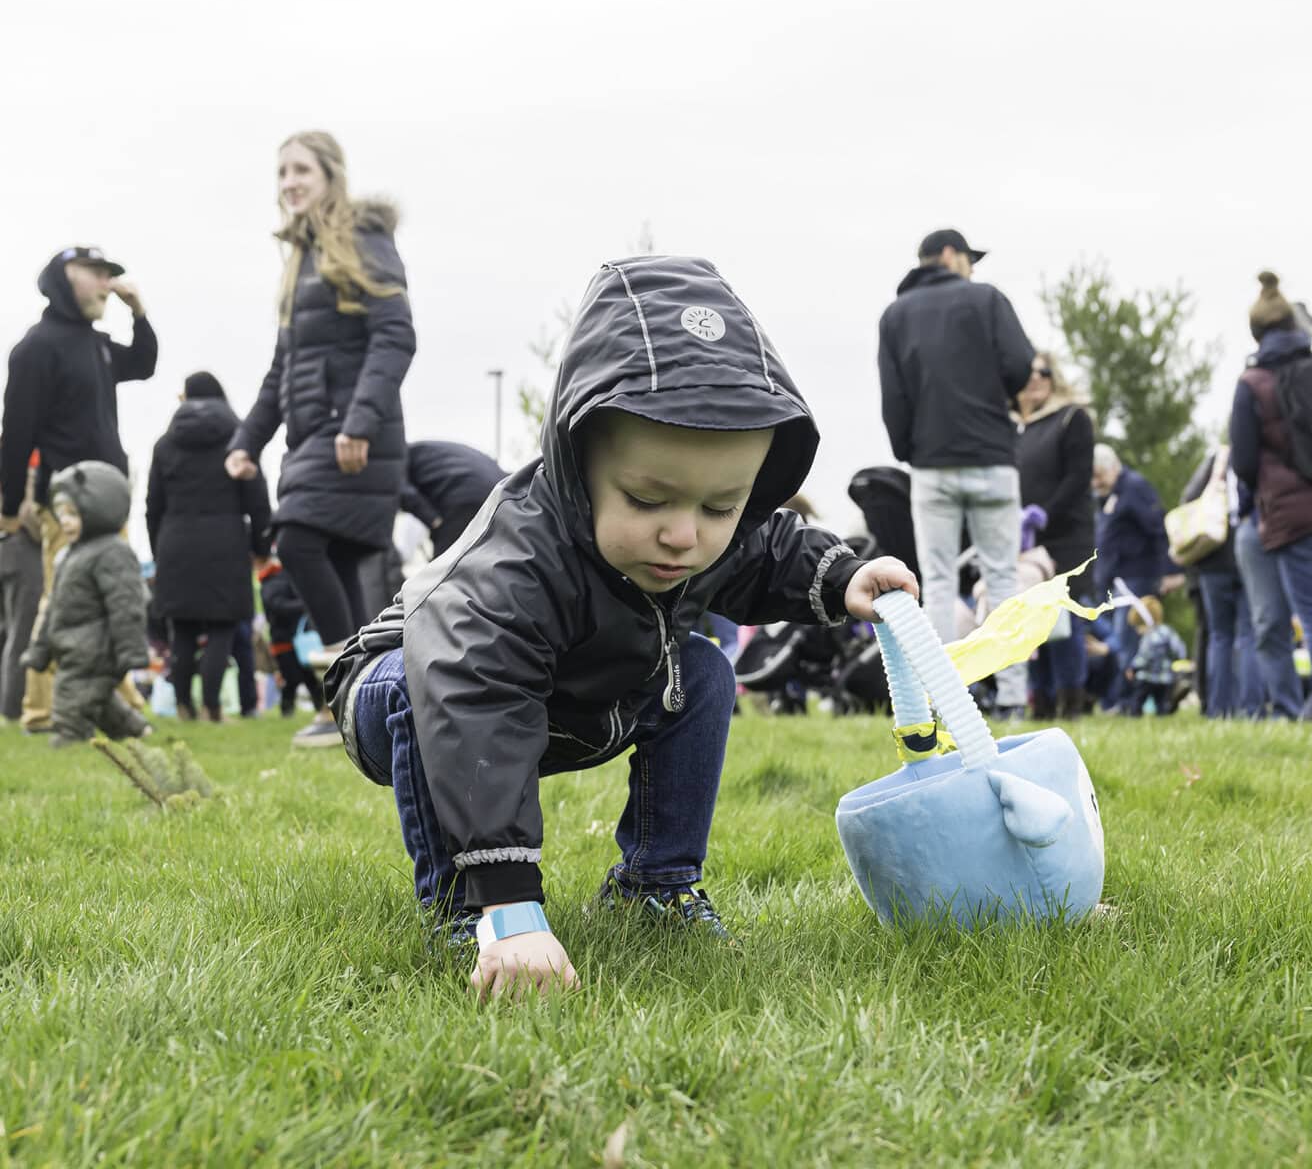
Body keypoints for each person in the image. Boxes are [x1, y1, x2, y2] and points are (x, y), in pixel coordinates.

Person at [322, 257, 917, 998]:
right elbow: (473, 695)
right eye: (647, 499)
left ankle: (657, 886)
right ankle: (459, 907)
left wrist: (840, 574)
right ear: (579, 465)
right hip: (402, 684)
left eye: (718, 506)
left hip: (563, 697)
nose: (684, 537)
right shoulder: (519, 564)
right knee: (427, 679)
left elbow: (764, 549)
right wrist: (510, 907)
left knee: (702, 670)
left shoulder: (698, 539)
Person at [226, 131, 416, 749]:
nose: (289, 183)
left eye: (300, 169)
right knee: (333, 561)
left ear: (331, 174)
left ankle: (349, 688)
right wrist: (245, 442)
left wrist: (359, 421)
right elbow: (282, 368)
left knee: (297, 537)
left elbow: (395, 335)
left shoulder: (361, 238)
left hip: (355, 435)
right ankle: (373, 705)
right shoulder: (301, 259)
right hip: (312, 439)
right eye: (281, 172)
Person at [878, 228, 1034, 714]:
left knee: (939, 582)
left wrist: (911, 451)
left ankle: (947, 702)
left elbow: (893, 397)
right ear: (950, 256)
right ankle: (1011, 699)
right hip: (991, 457)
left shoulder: (896, 315)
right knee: (1004, 579)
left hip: (933, 463)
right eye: (970, 258)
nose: (973, 268)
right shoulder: (986, 299)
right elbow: (1022, 365)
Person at [3, 246, 157, 733]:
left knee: (114, 599)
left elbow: (145, 364)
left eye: (109, 274)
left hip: (110, 500)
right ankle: (43, 711)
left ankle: (116, 703)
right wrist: (9, 505)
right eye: (94, 273)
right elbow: (16, 431)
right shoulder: (36, 347)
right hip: (67, 501)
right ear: (62, 277)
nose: (105, 283)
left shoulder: (98, 344)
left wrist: (140, 313)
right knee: (65, 605)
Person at [1230, 272, 1312, 722]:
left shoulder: (1252, 382)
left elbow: (1242, 459)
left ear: (1257, 332)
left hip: (1281, 513)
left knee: (1283, 620)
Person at [146, 372, 272, 722]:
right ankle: (212, 708)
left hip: (176, 542)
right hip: (227, 543)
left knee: (182, 630)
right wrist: (262, 544)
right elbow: (257, 498)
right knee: (222, 629)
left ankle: (184, 706)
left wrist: (160, 552)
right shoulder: (240, 440)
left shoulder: (164, 445)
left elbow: (152, 505)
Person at [20, 462, 150, 747]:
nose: (64, 521)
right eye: (61, 513)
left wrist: (132, 650)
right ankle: (134, 731)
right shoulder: (69, 555)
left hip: (95, 650)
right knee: (99, 700)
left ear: (99, 508)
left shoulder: (113, 552)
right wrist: (39, 651)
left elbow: (126, 605)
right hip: (72, 648)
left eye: (73, 513)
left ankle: (70, 738)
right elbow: (54, 608)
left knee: (71, 698)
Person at [1014, 351, 1096, 718]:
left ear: (1054, 376)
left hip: (1067, 537)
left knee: (1065, 620)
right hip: (1029, 543)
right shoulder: (1019, 428)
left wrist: (1045, 515)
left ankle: (1070, 703)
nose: (1035, 379)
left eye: (1042, 372)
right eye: (1027, 373)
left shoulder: (1071, 417)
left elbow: (1078, 477)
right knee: (1033, 623)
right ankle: (1040, 702)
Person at [1180, 448, 1262, 718]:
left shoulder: (1216, 460)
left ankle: (1217, 707)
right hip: (1249, 555)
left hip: (1212, 559)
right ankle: (1251, 708)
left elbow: (1189, 499)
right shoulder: (1256, 456)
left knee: (1219, 636)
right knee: (1248, 634)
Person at [1091, 445, 1172, 709]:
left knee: (1128, 641)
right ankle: (1114, 699)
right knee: (1117, 641)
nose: (1095, 482)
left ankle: (1126, 702)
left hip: (1135, 577)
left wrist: (1168, 573)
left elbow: (1158, 529)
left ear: (1113, 467)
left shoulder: (1135, 488)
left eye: (1099, 475)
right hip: (1114, 581)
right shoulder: (1107, 495)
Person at [401, 440, 508, 555]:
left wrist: (433, 521)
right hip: (499, 491)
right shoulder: (426, 449)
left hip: (465, 494)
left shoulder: (398, 458)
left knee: (445, 566)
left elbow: (404, 492)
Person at [0, 450, 44, 722]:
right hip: (21, 547)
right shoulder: (24, 458)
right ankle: (12, 709)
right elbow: (29, 513)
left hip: (5, 548)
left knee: (5, 632)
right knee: (21, 634)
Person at [258, 559, 325, 718]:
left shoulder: (274, 580)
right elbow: (277, 606)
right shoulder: (281, 579)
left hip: (291, 639)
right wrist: (304, 605)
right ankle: (291, 711)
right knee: (297, 679)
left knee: (304, 679)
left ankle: (312, 710)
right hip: (288, 640)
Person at [1123, 596, 1185, 718]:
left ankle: (1135, 714)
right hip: (1166, 677)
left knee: (1138, 699)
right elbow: (1180, 650)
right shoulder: (1168, 631)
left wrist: (1133, 667)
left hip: (1147, 677)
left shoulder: (1149, 636)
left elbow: (1144, 656)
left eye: (1138, 627)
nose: (1137, 631)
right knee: (1161, 702)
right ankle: (1163, 714)